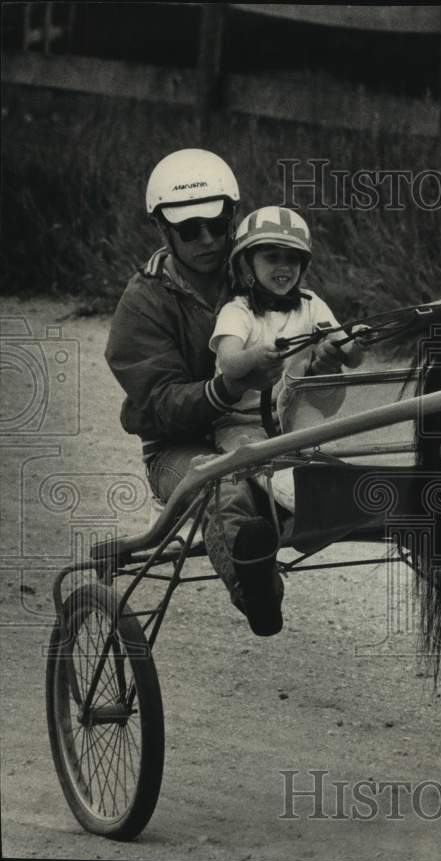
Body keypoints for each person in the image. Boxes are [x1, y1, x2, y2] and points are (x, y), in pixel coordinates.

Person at [105, 148, 349, 637]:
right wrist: (226, 385)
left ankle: (269, 531)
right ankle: (257, 588)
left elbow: (313, 378)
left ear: (233, 218)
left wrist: (322, 365)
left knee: (347, 478)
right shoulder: (143, 303)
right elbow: (159, 406)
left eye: (218, 225)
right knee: (223, 486)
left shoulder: (261, 269)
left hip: (268, 433)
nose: (208, 240)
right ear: (163, 229)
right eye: (190, 230)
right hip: (179, 446)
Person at [210, 205, 364, 514]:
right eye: (271, 257)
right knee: (260, 459)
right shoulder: (238, 311)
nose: (284, 266)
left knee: (321, 455)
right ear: (246, 265)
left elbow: (350, 356)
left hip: (293, 416)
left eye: (292, 258)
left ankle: (331, 499)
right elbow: (228, 362)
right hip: (241, 421)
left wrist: (356, 340)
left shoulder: (310, 304)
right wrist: (254, 356)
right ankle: (301, 505)